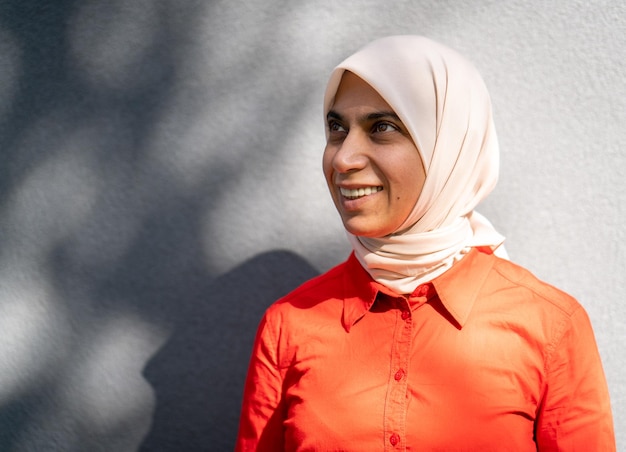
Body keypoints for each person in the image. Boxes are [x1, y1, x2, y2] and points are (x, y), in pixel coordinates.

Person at [235, 35, 615, 451]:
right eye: (336, 128)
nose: (344, 158)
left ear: (447, 148)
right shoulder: (289, 325)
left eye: (382, 128)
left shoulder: (550, 327)